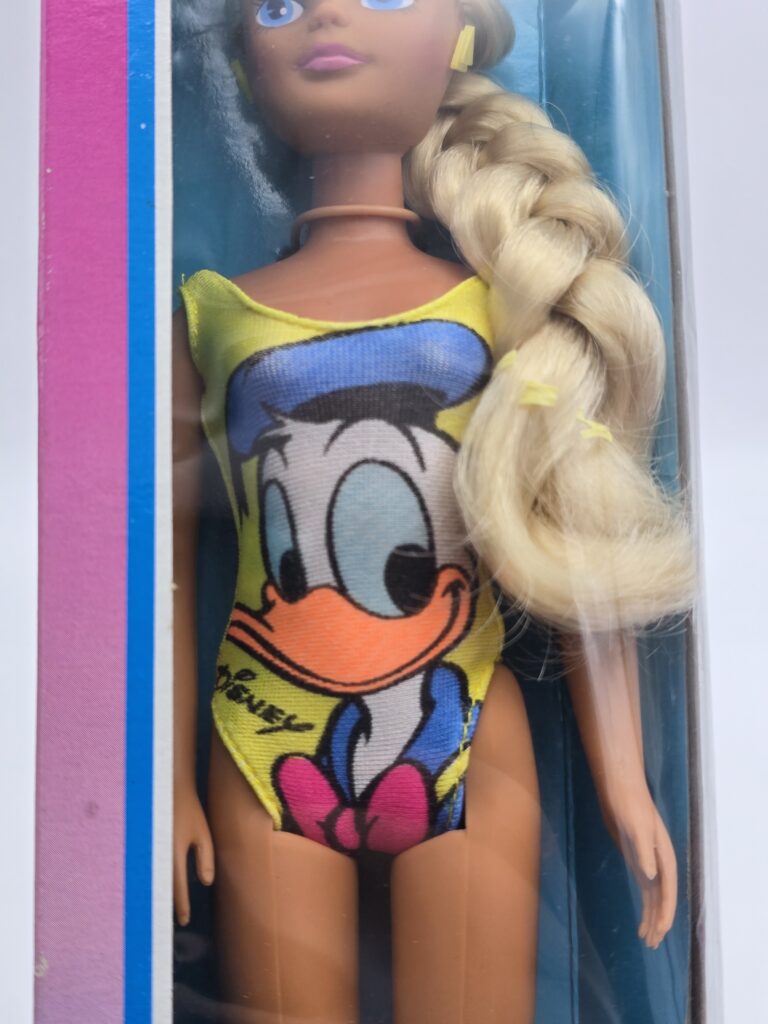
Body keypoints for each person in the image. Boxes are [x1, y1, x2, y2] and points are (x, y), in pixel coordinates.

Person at [172, 1, 694, 1020]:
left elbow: (572, 541)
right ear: (237, 69)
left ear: (458, 36)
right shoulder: (211, 312)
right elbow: (166, 570)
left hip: (463, 735)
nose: (325, 14)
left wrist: (624, 776)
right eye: (276, 6)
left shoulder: (504, 303)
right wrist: (164, 785)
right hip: (264, 739)